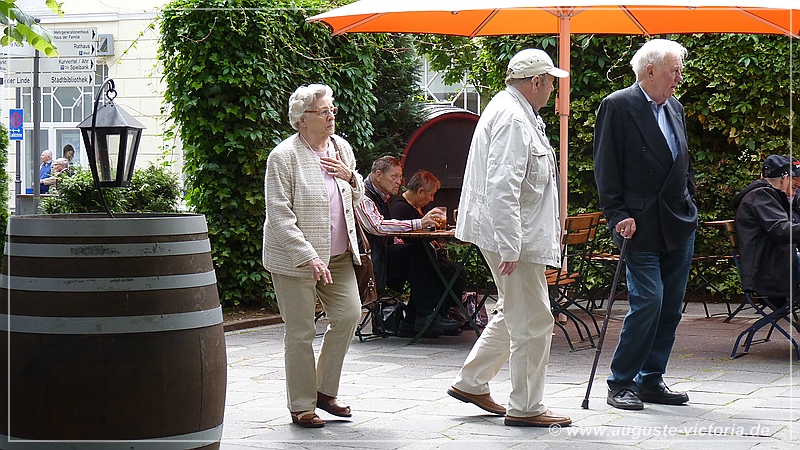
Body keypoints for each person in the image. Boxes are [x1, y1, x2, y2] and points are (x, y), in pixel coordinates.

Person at [447, 48, 571, 428]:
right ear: (536, 81)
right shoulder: (514, 118)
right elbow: (502, 186)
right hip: (515, 237)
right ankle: (527, 407)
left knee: (515, 309)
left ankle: (472, 382)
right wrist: (511, 245)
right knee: (534, 319)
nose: (553, 90)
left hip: (512, 233)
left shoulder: (514, 110)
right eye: (550, 83)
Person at [593, 39, 698, 411]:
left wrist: (690, 199)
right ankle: (621, 382)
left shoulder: (675, 107)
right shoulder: (618, 105)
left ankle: (651, 379)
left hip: (679, 221)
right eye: (674, 71)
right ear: (650, 70)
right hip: (638, 224)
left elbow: (684, 161)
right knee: (649, 300)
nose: (679, 78)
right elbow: (605, 166)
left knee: (670, 307)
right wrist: (616, 214)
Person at [262, 84, 365, 429]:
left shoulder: (342, 148)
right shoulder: (283, 157)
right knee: (301, 331)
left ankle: (324, 390)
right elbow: (279, 215)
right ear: (302, 120)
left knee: (349, 315)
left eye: (332, 110)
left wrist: (352, 178)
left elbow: (356, 195)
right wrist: (308, 256)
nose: (331, 116)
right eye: (323, 111)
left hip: (338, 255)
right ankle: (302, 405)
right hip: (295, 260)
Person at [355, 157, 461, 336]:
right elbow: (377, 226)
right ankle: (425, 316)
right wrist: (418, 223)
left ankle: (419, 318)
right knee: (419, 253)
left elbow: (384, 233)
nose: (399, 181)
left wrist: (397, 240)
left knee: (434, 260)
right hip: (368, 265)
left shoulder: (383, 197)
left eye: (400, 176)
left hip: (381, 256)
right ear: (378, 175)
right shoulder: (362, 196)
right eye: (394, 176)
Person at [391, 170, 467, 330]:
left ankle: (441, 314)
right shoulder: (400, 207)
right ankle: (429, 316)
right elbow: (407, 237)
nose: (432, 199)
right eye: (430, 195)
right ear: (420, 191)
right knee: (442, 270)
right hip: (406, 261)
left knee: (456, 271)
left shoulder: (418, 207)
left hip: (422, 256)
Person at [730, 154, 800, 300]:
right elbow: (782, 230)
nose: (797, 184)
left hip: (778, 263)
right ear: (785, 178)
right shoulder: (761, 195)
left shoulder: (769, 196)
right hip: (769, 269)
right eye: (794, 179)